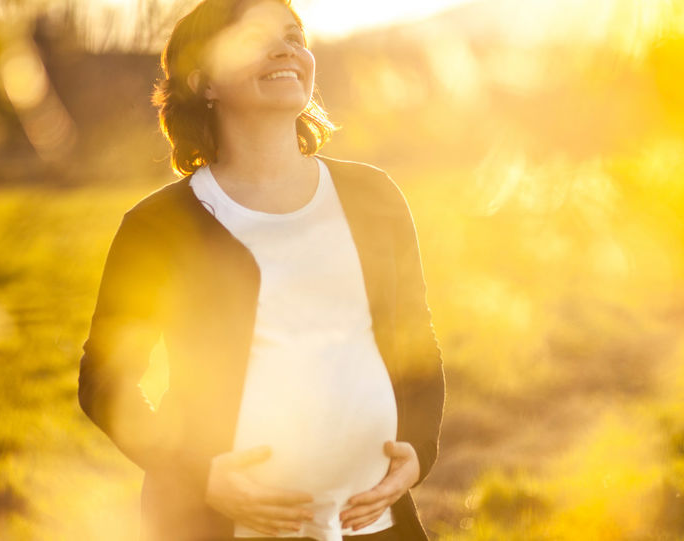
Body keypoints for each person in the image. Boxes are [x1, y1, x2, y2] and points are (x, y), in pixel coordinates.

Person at [77, 0, 445, 540]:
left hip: (373, 526)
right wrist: (199, 476)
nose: (286, 49)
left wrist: (419, 450)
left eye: (294, 36)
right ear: (203, 82)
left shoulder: (375, 196)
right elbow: (106, 382)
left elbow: (418, 340)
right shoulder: (157, 227)